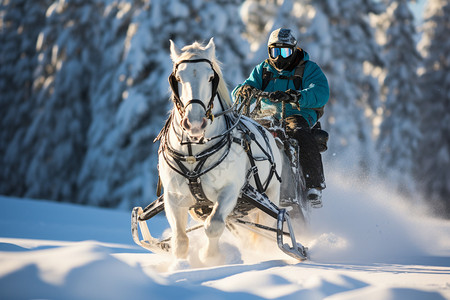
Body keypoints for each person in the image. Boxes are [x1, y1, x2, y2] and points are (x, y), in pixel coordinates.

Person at [232, 28, 329, 207]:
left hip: (297, 114)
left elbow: (320, 92)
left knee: (298, 133)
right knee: (242, 136)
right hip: (265, 116)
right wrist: (243, 91)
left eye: (285, 51)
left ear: (294, 50)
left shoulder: (308, 69)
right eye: (275, 51)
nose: (279, 57)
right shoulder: (263, 69)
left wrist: (296, 96)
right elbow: (242, 89)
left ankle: (313, 184)